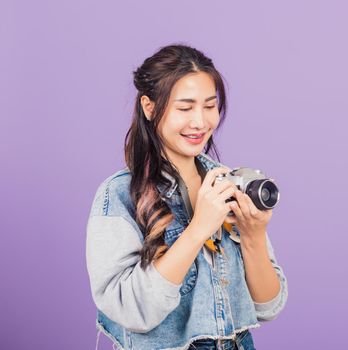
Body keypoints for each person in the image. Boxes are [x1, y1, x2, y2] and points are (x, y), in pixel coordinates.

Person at [85, 44, 288, 350]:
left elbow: (268, 306)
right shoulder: (117, 195)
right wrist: (197, 230)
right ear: (149, 107)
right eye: (185, 108)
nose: (200, 122)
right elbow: (130, 311)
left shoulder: (226, 183)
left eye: (209, 106)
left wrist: (253, 235)